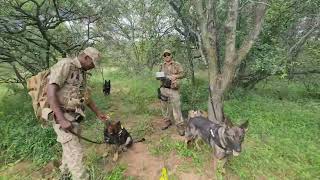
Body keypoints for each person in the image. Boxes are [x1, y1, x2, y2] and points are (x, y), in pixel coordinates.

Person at [46, 47, 109, 180]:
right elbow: (50, 92)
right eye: (92, 64)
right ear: (86, 57)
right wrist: (62, 119)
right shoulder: (66, 65)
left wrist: (98, 113)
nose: (92, 67)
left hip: (75, 116)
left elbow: (86, 97)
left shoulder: (82, 72)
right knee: (76, 153)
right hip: (62, 116)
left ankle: (64, 173)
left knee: (70, 148)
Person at [159, 49, 185, 136]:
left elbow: (183, 74)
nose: (167, 56)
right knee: (164, 106)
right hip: (163, 88)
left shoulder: (177, 64)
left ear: (171, 55)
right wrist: (161, 76)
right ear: (163, 57)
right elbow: (158, 75)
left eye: (168, 54)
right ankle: (167, 121)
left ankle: (180, 125)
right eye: (165, 55)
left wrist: (175, 76)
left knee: (176, 107)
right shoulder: (161, 65)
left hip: (174, 89)